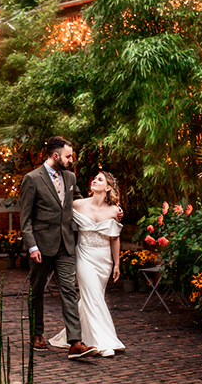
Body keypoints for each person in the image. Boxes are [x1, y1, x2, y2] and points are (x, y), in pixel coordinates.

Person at [19, 136, 98, 360]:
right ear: (56, 156)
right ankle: (37, 334)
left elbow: (82, 205)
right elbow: (25, 219)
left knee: (69, 291)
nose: (71, 160)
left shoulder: (71, 177)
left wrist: (110, 210)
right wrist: (31, 246)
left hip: (66, 244)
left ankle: (75, 342)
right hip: (41, 246)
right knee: (37, 291)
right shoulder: (32, 179)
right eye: (68, 156)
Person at [49, 171, 125, 357]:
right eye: (95, 178)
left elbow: (114, 239)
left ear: (108, 187)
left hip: (104, 259)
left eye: (100, 179)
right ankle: (103, 342)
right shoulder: (77, 205)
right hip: (84, 256)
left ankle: (77, 335)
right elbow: (59, 212)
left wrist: (116, 264)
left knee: (94, 297)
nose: (95, 181)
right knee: (92, 297)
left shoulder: (115, 210)